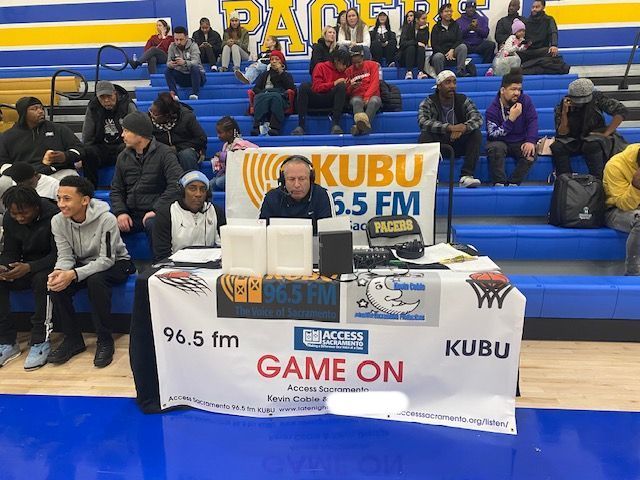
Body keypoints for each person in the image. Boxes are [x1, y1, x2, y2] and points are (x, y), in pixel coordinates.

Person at [47, 176, 135, 368]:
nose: (61, 204)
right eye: (59, 198)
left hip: (118, 263)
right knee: (57, 286)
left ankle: (105, 339)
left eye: (67, 199)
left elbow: (107, 260)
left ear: (85, 200)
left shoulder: (107, 219)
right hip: (84, 264)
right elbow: (65, 256)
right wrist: (60, 271)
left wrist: (74, 274)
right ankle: (72, 339)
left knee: (96, 280)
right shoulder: (57, 221)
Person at [0, 186, 58, 370]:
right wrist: (5, 266)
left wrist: (30, 267)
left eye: (23, 213)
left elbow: (59, 254)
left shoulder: (54, 215)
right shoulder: (10, 219)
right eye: (14, 214)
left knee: (43, 279)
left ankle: (40, 340)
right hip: (26, 265)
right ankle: (7, 341)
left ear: (36, 206)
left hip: (53, 265)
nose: (19, 218)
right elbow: (10, 251)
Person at [110, 112, 183, 240]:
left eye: (126, 131)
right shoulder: (123, 156)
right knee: (107, 226)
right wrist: (121, 212)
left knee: (154, 224)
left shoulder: (165, 154)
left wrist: (156, 210)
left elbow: (176, 185)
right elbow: (116, 189)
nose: (122, 135)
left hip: (158, 213)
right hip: (131, 213)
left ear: (139, 134)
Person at [418, 70, 483, 187]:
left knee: (476, 133)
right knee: (425, 135)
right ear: (439, 86)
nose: (452, 86)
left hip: (459, 141)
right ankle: (431, 177)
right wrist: (449, 128)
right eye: (448, 82)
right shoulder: (429, 101)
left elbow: (478, 118)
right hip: (440, 143)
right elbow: (423, 121)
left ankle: (466, 176)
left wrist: (463, 127)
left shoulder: (462, 99)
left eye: (454, 82)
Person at [552, 78, 627, 179]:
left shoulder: (597, 98)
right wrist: (564, 113)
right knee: (557, 147)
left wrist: (607, 133)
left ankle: (598, 179)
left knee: (591, 145)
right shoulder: (564, 103)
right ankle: (565, 180)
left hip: (595, 136)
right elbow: (562, 133)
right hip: (574, 138)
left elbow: (621, 111)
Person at [0, 97, 83, 180]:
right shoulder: (8, 136)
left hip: (57, 171)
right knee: (4, 182)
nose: (40, 111)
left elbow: (80, 149)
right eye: (34, 109)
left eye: (41, 108)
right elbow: (3, 164)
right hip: (24, 177)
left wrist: (65, 156)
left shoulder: (59, 129)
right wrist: (23, 172)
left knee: (72, 178)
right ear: (23, 113)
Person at [153, 170, 226, 261]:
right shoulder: (166, 213)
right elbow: (162, 256)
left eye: (202, 189)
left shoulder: (215, 211)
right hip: (175, 266)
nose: (198, 194)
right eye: (192, 188)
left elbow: (224, 248)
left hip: (208, 266)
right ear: (182, 191)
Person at [485, 69, 538, 186]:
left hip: (519, 140)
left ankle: (513, 183)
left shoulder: (525, 101)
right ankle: (499, 183)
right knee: (495, 148)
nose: (517, 93)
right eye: (513, 89)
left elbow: (532, 121)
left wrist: (530, 141)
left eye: (519, 89)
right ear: (503, 90)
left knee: (531, 153)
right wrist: (510, 120)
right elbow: (492, 134)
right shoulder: (492, 110)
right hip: (500, 141)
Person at [259, 155, 335, 233]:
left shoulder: (321, 196)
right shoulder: (271, 198)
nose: (297, 185)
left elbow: (327, 235)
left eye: (302, 179)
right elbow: (262, 234)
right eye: (291, 179)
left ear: (311, 179)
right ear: (283, 180)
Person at [82, 80, 137, 187]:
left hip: (123, 144)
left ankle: (127, 186)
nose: (106, 100)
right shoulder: (93, 107)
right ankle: (90, 188)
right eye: (102, 97)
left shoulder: (128, 105)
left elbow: (136, 130)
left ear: (115, 94)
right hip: (102, 146)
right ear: (98, 98)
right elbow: (87, 133)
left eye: (109, 96)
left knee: (127, 150)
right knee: (88, 152)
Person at [291, 48, 350, 136]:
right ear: (336, 60)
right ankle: (301, 126)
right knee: (304, 86)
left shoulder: (345, 73)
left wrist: (350, 87)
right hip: (317, 98)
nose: (345, 67)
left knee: (341, 87)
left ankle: (336, 125)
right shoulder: (320, 66)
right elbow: (317, 88)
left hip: (331, 99)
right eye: (344, 64)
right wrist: (334, 83)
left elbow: (345, 94)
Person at [603, 144, 640, 276]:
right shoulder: (615, 166)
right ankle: (633, 273)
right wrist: (636, 186)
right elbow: (624, 204)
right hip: (615, 211)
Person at [148, 92, 207, 171]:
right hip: (162, 152)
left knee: (186, 155)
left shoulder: (186, 117)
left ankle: (192, 178)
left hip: (186, 150)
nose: (151, 115)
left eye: (155, 114)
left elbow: (201, 139)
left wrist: (177, 148)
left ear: (167, 116)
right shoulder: (147, 120)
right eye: (150, 110)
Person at [250, 50, 295, 137]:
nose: (274, 61)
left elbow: (291, 88)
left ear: (281, 62)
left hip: (279, 96)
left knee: (275, 97)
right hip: (265, 95)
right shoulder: (265, 74)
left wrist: (280, 73)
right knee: (259, 97)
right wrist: (264, 92)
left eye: (277, 59)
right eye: (272, 59)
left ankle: (274, 127)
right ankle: (256, 126)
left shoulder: (286, 75)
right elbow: (256, 88)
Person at [210, 116, 257, 191]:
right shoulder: (226, 145)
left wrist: (222, 156)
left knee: (220, 182)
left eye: (220, 133)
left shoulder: (240, 144)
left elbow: (237, 162)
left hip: (241, 175)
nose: (218, 136)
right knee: (211, 184)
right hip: (230, 173)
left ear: (230, 132)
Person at [345, 45, 382, 136]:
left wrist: (367, 97)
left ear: (363, 57)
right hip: (356, 96)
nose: (357, 65)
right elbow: (347, 92)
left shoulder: (373, 65)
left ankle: (359, 128)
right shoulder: (348, 71)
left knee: (374, 101)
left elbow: (375, 83)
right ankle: (362, 128)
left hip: (373, 95)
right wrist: (351, 87)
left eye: (359, 62)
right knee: (356, 101)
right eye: (354, 63)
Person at [164, 26, 206, 101]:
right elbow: (168, 62)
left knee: (194, 67)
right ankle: (174, 95)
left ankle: (195, 94)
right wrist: (171, 64)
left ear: (186, 37)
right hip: (182, 76)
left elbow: (196, 62)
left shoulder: (193, 45)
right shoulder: (172, 46)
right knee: (168, 70)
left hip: (198, 76)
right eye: (176, 39)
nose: (178, 42)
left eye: (181, 39)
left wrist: (184, 62)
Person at [430, 3, 469, 76]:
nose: (449, 13)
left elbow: (459, 40)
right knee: (437, 56)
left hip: (453, 52)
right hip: (441, 53)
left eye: (450, 11)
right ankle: (441, 76)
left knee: (463, 47)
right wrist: (446, 54)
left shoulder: (455, 25)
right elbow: (434, 45)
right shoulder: (436, 27)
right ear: (441, 14)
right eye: (446, 11)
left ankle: (460, 71)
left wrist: (452, 50)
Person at [398, 10, 430, 79]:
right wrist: (416, 43)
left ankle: (420, 72)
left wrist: (421, 31)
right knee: (411, 47)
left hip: (417, 56)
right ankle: (409, 72)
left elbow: (423, 43)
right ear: (417, 20)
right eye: (423, 19)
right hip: (405, 55)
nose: (425, 21)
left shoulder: (425, 29)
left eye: (426, 18)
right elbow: (402, 43)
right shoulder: (407, 27)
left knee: (421, 48)